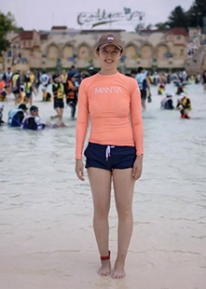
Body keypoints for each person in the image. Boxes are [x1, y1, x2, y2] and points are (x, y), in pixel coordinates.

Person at [74, 33, 144, 279]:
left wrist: (140, 155)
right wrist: (77, 156)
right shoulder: (87, 84)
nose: (109, 55)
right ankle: (105, 260)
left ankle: (120, 263)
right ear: (97, 53)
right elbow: (82, 121)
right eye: (105, 51)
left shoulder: (130, 84)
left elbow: (137, 121)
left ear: (121, 55)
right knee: (100, 209)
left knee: (125, 210)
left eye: (114, 51)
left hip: (126, 151)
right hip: (96, 151)